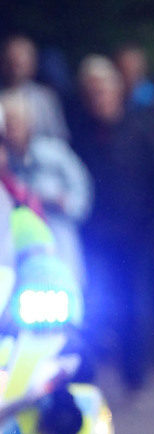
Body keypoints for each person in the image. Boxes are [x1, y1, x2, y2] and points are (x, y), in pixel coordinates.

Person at [71, 55, 154, 392]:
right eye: (91, 91)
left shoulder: (140, 130)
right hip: (94, 237)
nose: (99, 97)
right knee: (93, 304)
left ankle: (134, 374)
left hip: (136, 236)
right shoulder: (79, 135)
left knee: (135, 306)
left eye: (103, 89)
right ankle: (88, 373)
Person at [0, 88, 92, 290]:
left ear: (29, 123)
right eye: (7, 123)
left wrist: (62, 202)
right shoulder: (5, 167)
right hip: (20, 257)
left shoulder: (54, 153)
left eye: (15, 122)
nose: (11, 129)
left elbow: (82, 193)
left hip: (60, 246)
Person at [0, 34, 70, 141]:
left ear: (32, 64)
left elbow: (58, 137)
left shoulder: (45, 98)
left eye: (19, 63)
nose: (14, 69)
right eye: (11, 61)